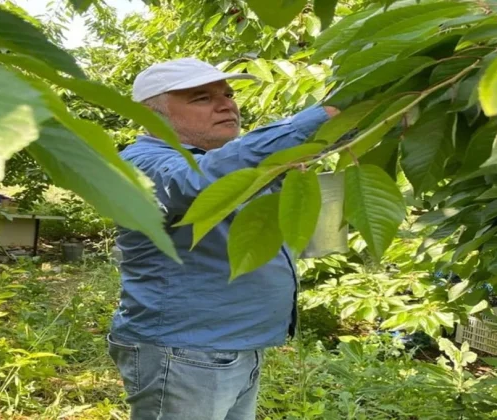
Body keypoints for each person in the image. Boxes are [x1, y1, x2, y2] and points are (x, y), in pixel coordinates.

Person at [108, 57, 338, 420]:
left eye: (228, 94)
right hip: (184, 351)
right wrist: (320, 115)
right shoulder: (141, 162)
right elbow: (195, 183)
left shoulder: (227, 163)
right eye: (201, 98)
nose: (226, 104)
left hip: (232, 346)